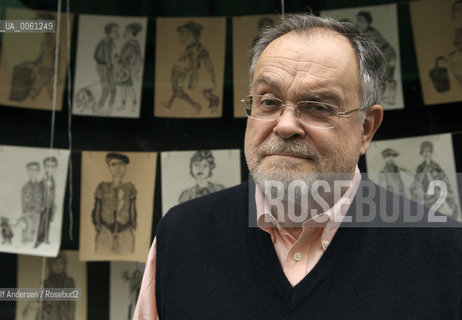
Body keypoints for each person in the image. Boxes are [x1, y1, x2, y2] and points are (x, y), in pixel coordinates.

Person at [133, 14, 462, 319]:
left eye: (317, 107)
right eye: (269, 102)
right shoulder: (181, 235)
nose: (285, 125)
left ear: (366, 128)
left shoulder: (446, 254)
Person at [162, 20, 217, 114]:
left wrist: (210, 75)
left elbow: (205, 64)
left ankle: (196, 106)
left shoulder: (199, 49)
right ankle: (170, 103)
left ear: (193, 34)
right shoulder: (190, 47)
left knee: (178, 91)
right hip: (179, 70)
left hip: (182, 71)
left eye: (187, 33)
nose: (184, 36)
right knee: (176, 89)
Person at [92, 153, 137, 255]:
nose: (118, 168)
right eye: (113, 164)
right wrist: (98, 225)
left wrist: (133, 223)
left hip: (125, 231)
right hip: (105, 230)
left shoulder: (129, 187)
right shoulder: (102, 187)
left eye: (121, 164)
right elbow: (97, 208)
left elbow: (132, 208)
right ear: (108, 167)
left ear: (125, 166)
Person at [410, 141, 460, 221]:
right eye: (424, 152)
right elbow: (416, 183)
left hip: (438, 197)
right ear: (422, 153)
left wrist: (451, 201)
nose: (426, 154)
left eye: (428, 151)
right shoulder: (420, 168)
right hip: (424, 197)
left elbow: (445, 182)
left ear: (431, 152)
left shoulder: (436, 167)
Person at [356, 11, 397, 105]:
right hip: (384, 54)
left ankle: (389, 98)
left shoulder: (370, 33)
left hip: (386, 54)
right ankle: (382, 98)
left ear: (367, 22)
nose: (358, 23)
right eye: (358, 20)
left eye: (361, 21)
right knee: (381, 77)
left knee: (384, 77)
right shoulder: (364, 32)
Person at [117, 23, 143, 110]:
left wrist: (136, 71)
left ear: (130, 32)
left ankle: (134, 105)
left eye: (126, 32)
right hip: (121, 68)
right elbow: (121, 57)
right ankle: (123, 105)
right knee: (122, 88)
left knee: (128, 88)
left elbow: (139, 59)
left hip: (126, 69)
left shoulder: (134, 44)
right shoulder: (127, 43)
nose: (124, 34)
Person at [94, 23, 119, 110]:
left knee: (113, 89)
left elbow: (113, 56)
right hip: (103, 66)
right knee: (107, 88)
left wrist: (116, 59)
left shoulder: (112, 42)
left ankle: (110, 107)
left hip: (109, 66)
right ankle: (100, 106)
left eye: (117, 31)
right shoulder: (105, 43)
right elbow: (105, 57)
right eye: (115, 31)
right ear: (109, 32)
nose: (117, 33)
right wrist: (109, 67)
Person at [34, 156, 58, 248]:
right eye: (48, 166)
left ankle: (45, 238)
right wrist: (41, 205)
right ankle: (38, 240)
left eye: (52, 166)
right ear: (44, 167)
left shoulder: (53, 180)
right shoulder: (43, 180)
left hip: (50, 204)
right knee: (41, 223)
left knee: (48, 222)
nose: (50, 168)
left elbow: (53, 193)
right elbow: (39, 193)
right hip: (43, 205)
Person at [20, 161, 44, 243]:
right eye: (30, 170)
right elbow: (23, 202)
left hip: (37, 212)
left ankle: (32, 242)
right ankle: (25, 242)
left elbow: (42, 198)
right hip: (28, 212)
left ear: (38, 171)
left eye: (35, 170)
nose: (33, 172)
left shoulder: (40, 186)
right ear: (27, 171)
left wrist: (40, 208)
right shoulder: (25, 187)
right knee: (27, 228)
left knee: (35, 229)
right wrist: (25, 212)